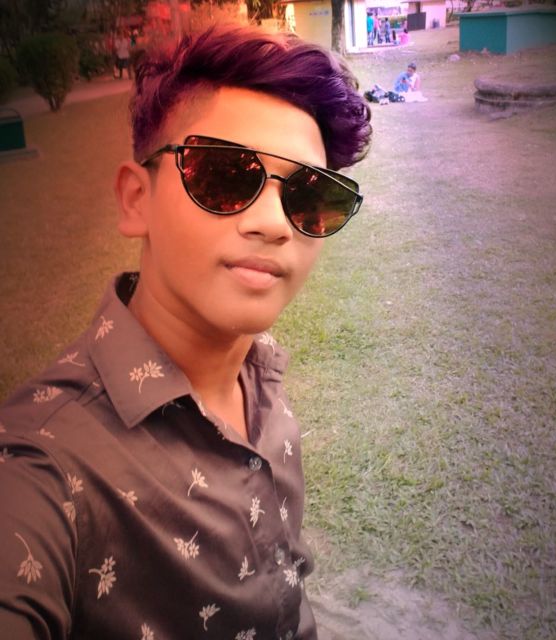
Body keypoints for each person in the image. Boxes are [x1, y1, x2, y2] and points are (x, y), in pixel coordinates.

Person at [0, 23, 371, 640]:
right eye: (224, 175)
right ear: (135, 200)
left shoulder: (261, 374)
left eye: (310, 196)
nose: (276, 224)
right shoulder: (42, 465)